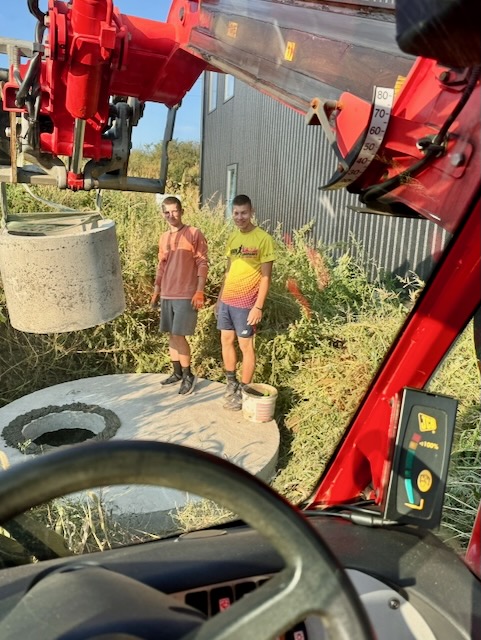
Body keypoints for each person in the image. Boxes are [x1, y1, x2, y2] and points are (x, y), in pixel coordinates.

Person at [216, 194, 275, 410]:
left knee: (246, 347)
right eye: (236, 213)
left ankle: (244, 390)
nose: (240, 217)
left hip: (246, 304)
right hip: (227, 302)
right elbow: (228, 271)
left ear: (252, 213)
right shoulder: (233, 238)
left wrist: (258, 306)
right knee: (226, 341)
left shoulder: (263, 239)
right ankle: (231, 383)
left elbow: (267, 277)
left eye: (244, 213)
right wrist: (219, 300)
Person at [151, 196, 208, 395]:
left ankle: (188, 375)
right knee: (170, 334)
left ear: (182, 211)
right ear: (162, 214)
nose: (171, 215)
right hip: (167, 293)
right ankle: (176, 372)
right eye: (167, 212)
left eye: (174, 211)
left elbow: (202, 262)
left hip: (186, 294)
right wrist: (156, 291)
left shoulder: (194, 233)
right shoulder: (164, 238)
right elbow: (162, 265)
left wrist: (200, 290)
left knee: (178, 335)